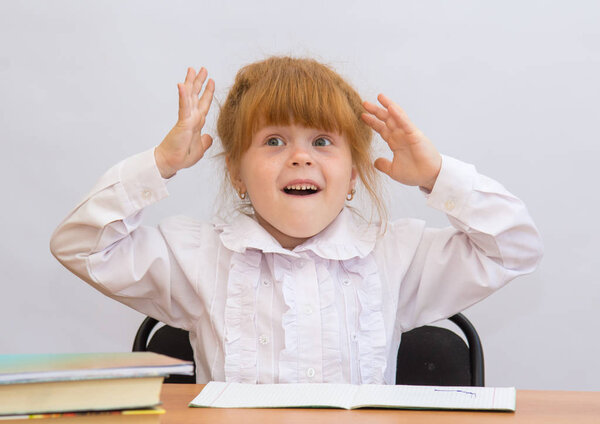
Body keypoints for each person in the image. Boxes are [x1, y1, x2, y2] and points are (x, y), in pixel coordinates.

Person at [50, 56, 543, 385]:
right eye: (273, 141)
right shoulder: (195, 255)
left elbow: (516, 247)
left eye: (322, 142)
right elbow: (81, 246)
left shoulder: (397, 254)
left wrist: (437, 175)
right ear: (236, 175)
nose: (300, 158)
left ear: (353, 174)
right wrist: (160, 163)